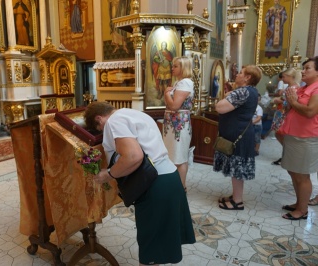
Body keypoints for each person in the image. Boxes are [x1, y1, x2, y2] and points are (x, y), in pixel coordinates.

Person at [84, 101, 195, 265]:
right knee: (156, 247)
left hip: (155, 185)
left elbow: (133, 156)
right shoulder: (135, 113)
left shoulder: (114, 121)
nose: (103, 132)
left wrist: (108, 174)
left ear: (99, 119)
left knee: (150, 248)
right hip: (170, 178)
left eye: (100, 128)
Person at [214, 65, 262, 210]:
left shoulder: (243, 91)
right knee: (237, 168)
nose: (237, 74)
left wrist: (228, 96)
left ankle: (237, 201)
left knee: (237, 169)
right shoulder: (252, 91)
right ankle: (236, 196)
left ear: (247, 77)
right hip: (241, 133)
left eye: (241, 73)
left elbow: (220, 107)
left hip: (238, 135)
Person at [279, 57, 318, 220]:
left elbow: (309, 112)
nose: (303, 71)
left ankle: (302, 211)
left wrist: (293, 102)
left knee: (302, 175)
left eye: (307, 68)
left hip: (305, 138)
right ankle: (299, 202)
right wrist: (290, 101)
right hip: (294, 135)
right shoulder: (304, 88)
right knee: (294, 171)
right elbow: (293, 108)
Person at [163, 56, 194, 191]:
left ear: (183, 68)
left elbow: (174, 106)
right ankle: (178, 185)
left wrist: (166, 94)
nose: (172, 68)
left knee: (179, 156)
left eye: (175, 66)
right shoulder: (179, 83)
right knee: (174, 154)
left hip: (178, 125)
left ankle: (180, 187)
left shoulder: (184, 83)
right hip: (174, 124)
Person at [271, 68, 301, 165]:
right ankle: (286, 154)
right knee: (279, 134)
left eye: (284, 76)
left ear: (290, 77)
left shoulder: (293, 88)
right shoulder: (290, 87)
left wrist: (279, 101)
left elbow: (291, 102)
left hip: (285, 113)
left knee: (281, 134)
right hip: (281, 112)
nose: (282, 78)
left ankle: (288, 154)